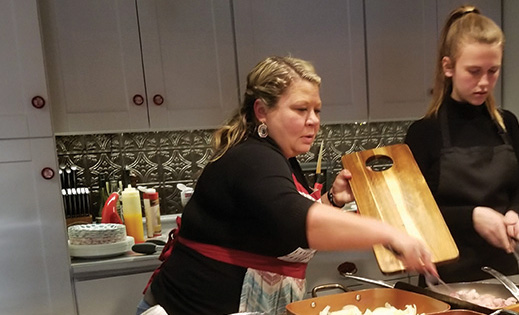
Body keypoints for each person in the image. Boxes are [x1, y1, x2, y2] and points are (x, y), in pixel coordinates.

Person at [138, 56, 437, 315]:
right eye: (300, 109)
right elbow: (299, 219)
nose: (314, 121)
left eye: (317, 110)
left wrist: (331, 201)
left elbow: (277, 226)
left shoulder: (281, 155)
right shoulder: (251, 158)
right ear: (261, 111)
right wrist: (390, 234)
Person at [404, 5, 519, 283]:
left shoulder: (506, 123)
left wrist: (514, 213)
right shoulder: (424, 132)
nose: (484, 82)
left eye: (493, 71)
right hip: (446, 273)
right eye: (474, 71)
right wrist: (472, 217)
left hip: (505, 272)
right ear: (448, 66)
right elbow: (415, 213)